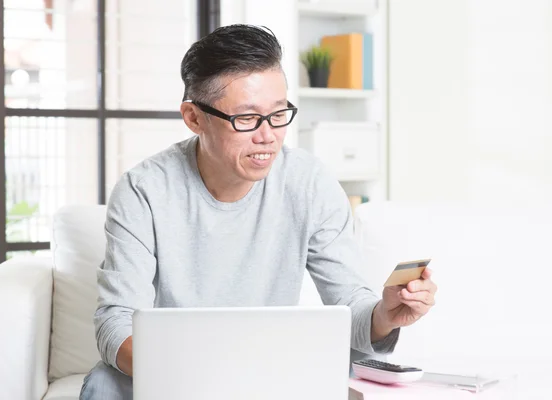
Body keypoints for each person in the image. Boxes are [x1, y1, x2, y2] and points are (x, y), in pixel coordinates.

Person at [80, 24, 437, 399]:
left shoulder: (308, 182)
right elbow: (116, 323)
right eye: (246, 119)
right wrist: (203, 379)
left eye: (279, 114)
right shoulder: (144, 190)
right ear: (193, 117)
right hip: (176, 372)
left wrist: (385, 314)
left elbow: (349, 305)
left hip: (272, 369)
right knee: (104, 384)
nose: (268, 136)